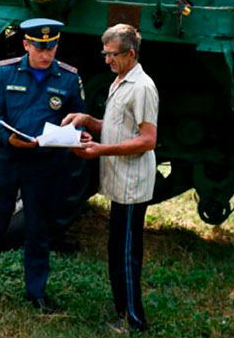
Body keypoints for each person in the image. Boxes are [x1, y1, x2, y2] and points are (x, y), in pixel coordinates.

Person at [0, 18, 87, 313]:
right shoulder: (6, 72)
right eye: (39, 47)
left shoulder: (69, 79)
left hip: (44, 165)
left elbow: (79, 115)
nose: (46, 54)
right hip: (5, 161)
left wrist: (78, 130)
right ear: (26, 44)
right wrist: (8, 138)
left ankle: (36, 293)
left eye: (52, 46)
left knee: (38, 229)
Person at [62, 23, 158, 333]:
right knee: (116, 250)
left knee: (127, 254)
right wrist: (87, 120)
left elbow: (147, 140)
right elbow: (116, 125)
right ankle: (122, 309)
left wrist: (100, 150)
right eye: (104, 54)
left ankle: (134, 320)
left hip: (132, 186)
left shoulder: (143, 87)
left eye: (113, 54)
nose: (107, 60)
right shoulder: (120, 81)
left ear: (131, 54)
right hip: (119, 182)